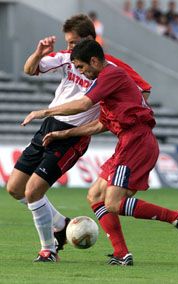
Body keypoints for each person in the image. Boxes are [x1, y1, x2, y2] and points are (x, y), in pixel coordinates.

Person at [22, 39, 178, 266]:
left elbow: (84, 104)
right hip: (127, 142)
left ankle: (176, 216)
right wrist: (64, 134)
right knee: (95, 196)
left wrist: (44, 111)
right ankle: (121, 253)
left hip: (137, 142)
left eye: (83, 67)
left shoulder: (110, 76)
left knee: (114, 203)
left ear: (94, 60)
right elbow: (100, 124)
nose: (82, 73)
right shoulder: (107, 85)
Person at [7, 14, 152, 263]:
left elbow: (144, 90)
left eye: (74, 43)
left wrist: (116, 112)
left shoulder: (112, 68)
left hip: (73, 135)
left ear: (88, 40)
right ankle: (60, 225)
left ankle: (48, 250)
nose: (70, 48)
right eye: (68, 43)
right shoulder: (66, 58)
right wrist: (39, 52)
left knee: (33, 191)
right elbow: (29, 69)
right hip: (49, 127)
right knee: (15, 188)